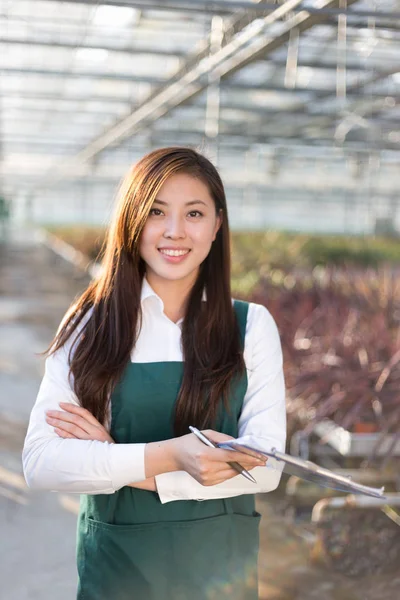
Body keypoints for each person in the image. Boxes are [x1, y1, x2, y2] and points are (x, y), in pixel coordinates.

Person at [22, 147, 286, 600]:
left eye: (195, 213)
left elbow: (265, 469)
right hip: (119, 570)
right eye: (156, 211)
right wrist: (173, 455)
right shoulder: (90, 325)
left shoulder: (251, 326)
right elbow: (43, 463)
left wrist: (115, 460)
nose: (174, 231)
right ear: (132, 220)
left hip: (220, 570)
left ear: (217, 225)